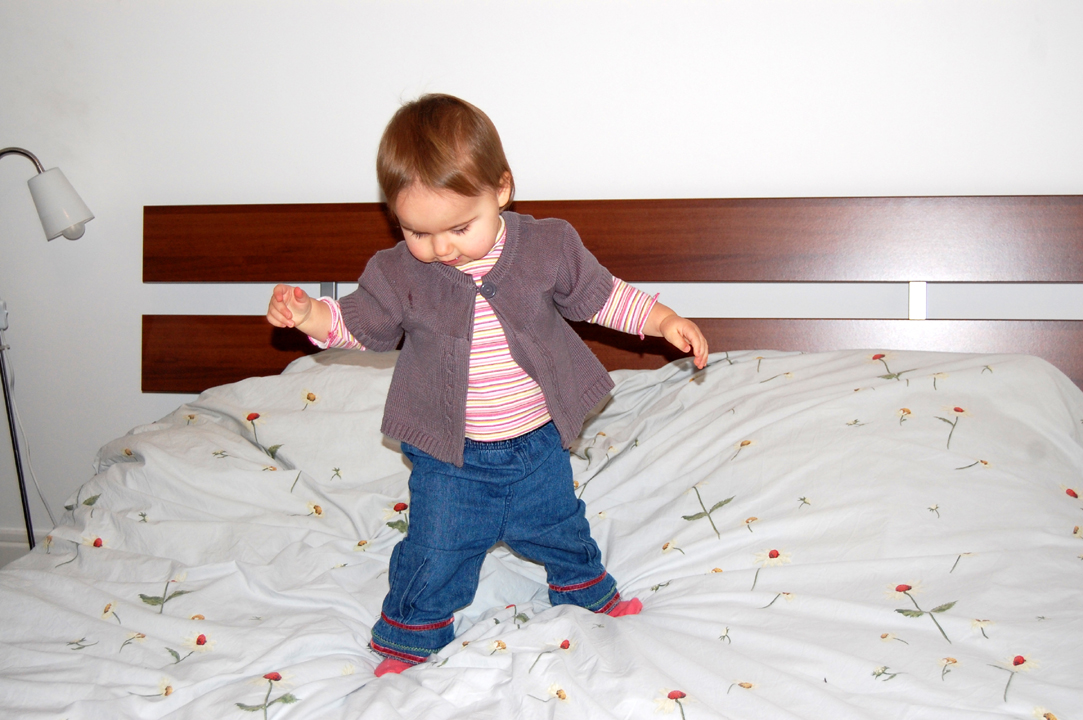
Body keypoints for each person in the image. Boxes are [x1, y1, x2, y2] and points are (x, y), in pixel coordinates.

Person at [267, 94, 708, 676]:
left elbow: (601, 296)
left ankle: (584, 589)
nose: (440, 248)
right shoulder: (399, 273)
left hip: (538, 443)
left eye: (458, 228)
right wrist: (310, 316)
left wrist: (662, 319)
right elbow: (361, 323)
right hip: (452, 457)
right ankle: (411, 635)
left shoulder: (547, 247)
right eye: (417, 232)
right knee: (436, 548)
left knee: (561, 524)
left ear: (502, 189)